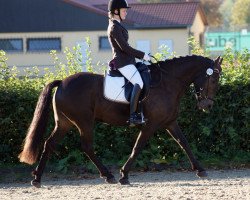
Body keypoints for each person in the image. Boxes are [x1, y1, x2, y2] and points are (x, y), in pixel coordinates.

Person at [107, 0, 150, 127]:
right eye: (124, 10)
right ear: (116, 11)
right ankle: (132, 116)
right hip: (122, 63)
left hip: (128, 61)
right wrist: (143, 55)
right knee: (139, 83)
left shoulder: (118, 25)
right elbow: (125, 48)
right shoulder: (114, 27)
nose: (126, 12)